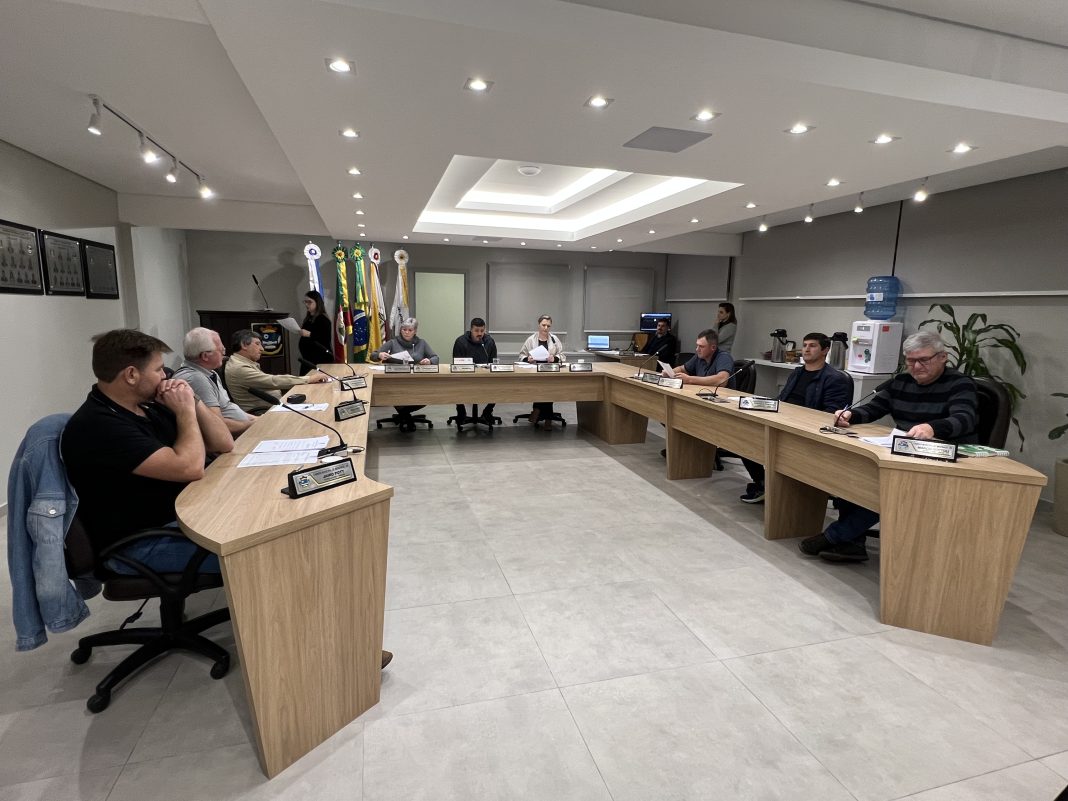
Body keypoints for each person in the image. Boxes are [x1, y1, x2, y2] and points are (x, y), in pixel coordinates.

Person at [61, 329, 234, 574]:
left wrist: (192, 399)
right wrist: (185, 412)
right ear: (131, 375)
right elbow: (190, 468)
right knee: (262, 551)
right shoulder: (98, 425)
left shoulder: (149, 406)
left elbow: (224, 443)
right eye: (159, 369)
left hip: (186, 517)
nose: (165, 376)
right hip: (141, 544)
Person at [799, 330, 978, 563]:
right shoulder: (901, 381)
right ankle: (852, 543)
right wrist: (850, 415)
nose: (916, 367)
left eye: (923, 360)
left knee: (888, 488)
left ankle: (835, 537)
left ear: (943, 357)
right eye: (910, 361)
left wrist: (932, 428)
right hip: (905, 451)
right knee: (854, 474)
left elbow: (965, 418)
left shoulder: (960, 384)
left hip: (945, 457)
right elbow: (874, 409)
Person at [739, 332, 852, 503]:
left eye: (812, 346)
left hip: (806, 430)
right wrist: (760, 405)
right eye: (805, 345)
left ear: (825, 350)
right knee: (744, 436)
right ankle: (763, 483)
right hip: (783, 421)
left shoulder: (834, 378)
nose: (806, 349)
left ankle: (777, 490)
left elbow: (830, 414)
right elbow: (783, 399)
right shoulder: (797, 372)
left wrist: (794, 418)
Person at [173, 327, 254, 436]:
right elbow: (217, 425)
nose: (224, 354)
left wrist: (258, 419)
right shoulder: (196, 379)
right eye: (221, 350)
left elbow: (228, 408)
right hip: (233, 438)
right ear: (205, 356)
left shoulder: (210, 373)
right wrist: (251, 425)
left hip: (242, 431)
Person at [225, 329, 329, 414]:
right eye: (257, 344)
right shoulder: (239, 368)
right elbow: (272, 381)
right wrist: (308, 379)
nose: (262, 349)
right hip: (262, 413)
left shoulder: (243, 362)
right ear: (244, 345)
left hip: (272, 407)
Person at [376, 317, 439, 431]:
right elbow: (374, 355)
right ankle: (406, 416)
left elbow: (435, 357)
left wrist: (429, 361)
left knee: (427, 395)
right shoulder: (393, 342)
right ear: (401, 330)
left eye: (410, 330)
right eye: (404, 329)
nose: (406, 332)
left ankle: (404, 414)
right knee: (397, 395)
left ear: (415, 331)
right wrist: (379, 355)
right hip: (395, 382)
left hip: (416, 382)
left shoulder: (421, 343)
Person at [519, 314, 566, 429]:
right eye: (543, 325)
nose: (546, 328)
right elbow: (521, 355)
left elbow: (562, 356)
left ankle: (537, 410)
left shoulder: (554, 339)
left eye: (548, 326)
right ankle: (547, 417)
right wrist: (528, 359)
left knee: (548, 388)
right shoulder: (531, 339)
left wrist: (554, 358)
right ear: (539, 325)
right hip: (534, 372)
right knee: (542, 388)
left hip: (550, 372)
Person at [452, 317, 498, 426]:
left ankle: (487, 412)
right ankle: (461, 412)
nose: (480, 334)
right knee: (455, 384)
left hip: (485, 377)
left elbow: (493, 362)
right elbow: (456, 363)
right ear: (471, 330)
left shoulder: (489, 342)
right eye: (476, 331)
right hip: (465, 377)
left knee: (499, 385)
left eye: (482, 331)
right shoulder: (461, 341)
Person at [668, 328, 734, 387]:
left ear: (713, 347)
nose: (697, 349)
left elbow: (722, 380)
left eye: (701, 346)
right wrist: (670, 373)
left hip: (724, 395)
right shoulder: (699, 356)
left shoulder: (724, 357)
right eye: (697, 345)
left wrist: (689, 379)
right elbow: (682, 369)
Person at [298, 289, 334, 374]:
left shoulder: (323, 319)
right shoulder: (308, 319)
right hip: (307, 359)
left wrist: (309, 334)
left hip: (319, 360)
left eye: (309, 302)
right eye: (305, 302)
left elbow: (325, 339)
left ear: (317, 303)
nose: (306, 304)